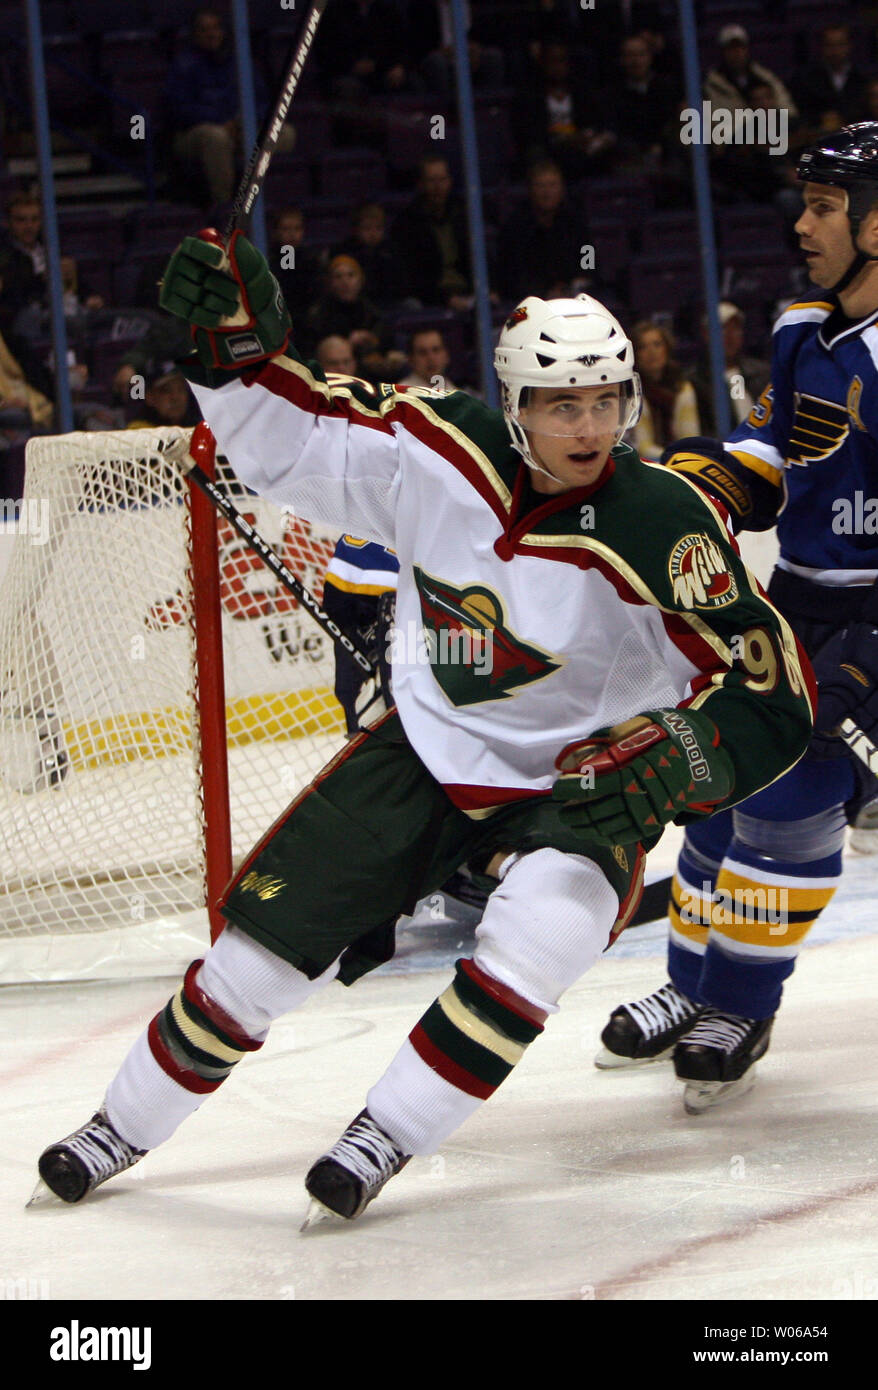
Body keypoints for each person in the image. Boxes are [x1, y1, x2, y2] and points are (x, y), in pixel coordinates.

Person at [31, 240, 812, 1223]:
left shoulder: (662, 521)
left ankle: (385, 1132)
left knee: (539, 938)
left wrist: (689, 753)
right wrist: (229, 352)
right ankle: (119, 1126)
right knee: (254, 957)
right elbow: (301, 440)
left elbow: (764, 682)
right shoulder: (439, 442)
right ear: (514, 403)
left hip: (579, 787)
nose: (590, 426)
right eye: (562, 405)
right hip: (427, 754)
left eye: (607, 401)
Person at [597, 123, 878, 1112]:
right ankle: (692, 985)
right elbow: (772, 450)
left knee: (791, 801)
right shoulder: (803, 325)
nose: (799, 223)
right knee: (719, 779)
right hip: (800, 596)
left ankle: (740, 1002)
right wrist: (702, 484)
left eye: (822, 207)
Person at [495, 160, 590, 304]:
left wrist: (581, 279)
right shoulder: (515, 227)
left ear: (562, 188)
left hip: (573, 296)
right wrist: (544, 293)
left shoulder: (575, 222)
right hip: (530, 301)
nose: (547, 193)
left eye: (552, 185)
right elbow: (512, 274)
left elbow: (588, 254)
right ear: (530, 189)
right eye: (541, 186)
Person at [691, 302, 770, 435]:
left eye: (735, 329)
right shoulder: (696, 383)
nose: (730, 335)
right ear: (706, 334)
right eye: (723, 328)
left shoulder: (761, 373)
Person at [630, 320, 700, 460]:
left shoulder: (683, 388)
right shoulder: (631, 392)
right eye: (643, 347)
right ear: (635, 355)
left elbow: (691, 441)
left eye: (657, 344)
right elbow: (643, 448)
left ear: (667, 349)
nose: (652, 352)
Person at [398, 327, 458, 392]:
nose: (431, 358)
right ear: (411, 360)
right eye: (422, 352)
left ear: (446, 356)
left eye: (436, 350)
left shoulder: (459, 395)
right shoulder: (401, 395)